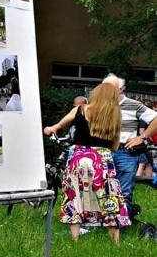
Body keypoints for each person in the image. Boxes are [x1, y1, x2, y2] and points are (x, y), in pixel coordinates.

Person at [43, 81, 130, 242]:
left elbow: (59, 125)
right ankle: (115, 240)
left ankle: (75, 239)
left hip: (78, 156)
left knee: (74, 194)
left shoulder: (80, 109)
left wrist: (51, 129)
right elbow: (115, 145)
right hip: (102, 158)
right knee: (109, 195)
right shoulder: (115, 115)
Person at [102, 74, 157, 214]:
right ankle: (106, 222)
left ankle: (122, 224)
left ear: (121, 89)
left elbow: (155, 118)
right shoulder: (100, 105)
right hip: (102, 151)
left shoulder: (134, 105)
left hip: (124, 152)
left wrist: (142, 137)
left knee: (124, 190)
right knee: (102, 188)